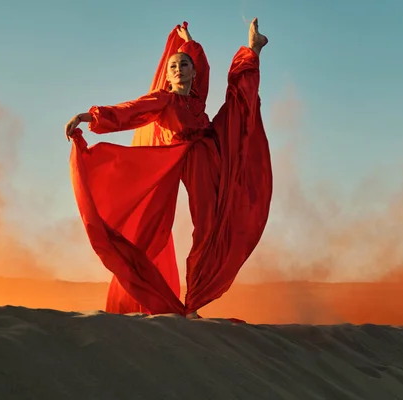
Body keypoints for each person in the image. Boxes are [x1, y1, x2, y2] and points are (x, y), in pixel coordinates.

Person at [65, 18, 272, 319]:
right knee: (152, 227)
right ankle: (151, 292)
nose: (177, 69)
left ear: (193, 73)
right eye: (173, 66)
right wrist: (88, 117)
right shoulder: (163, 99)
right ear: (168, 75)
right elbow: (130, 111)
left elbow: (201, 61)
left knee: (210, 224)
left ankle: (253, 49)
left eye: (184, 65)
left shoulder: (197, 97)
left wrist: (186, 37)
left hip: (208, 152)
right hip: (177, 156)